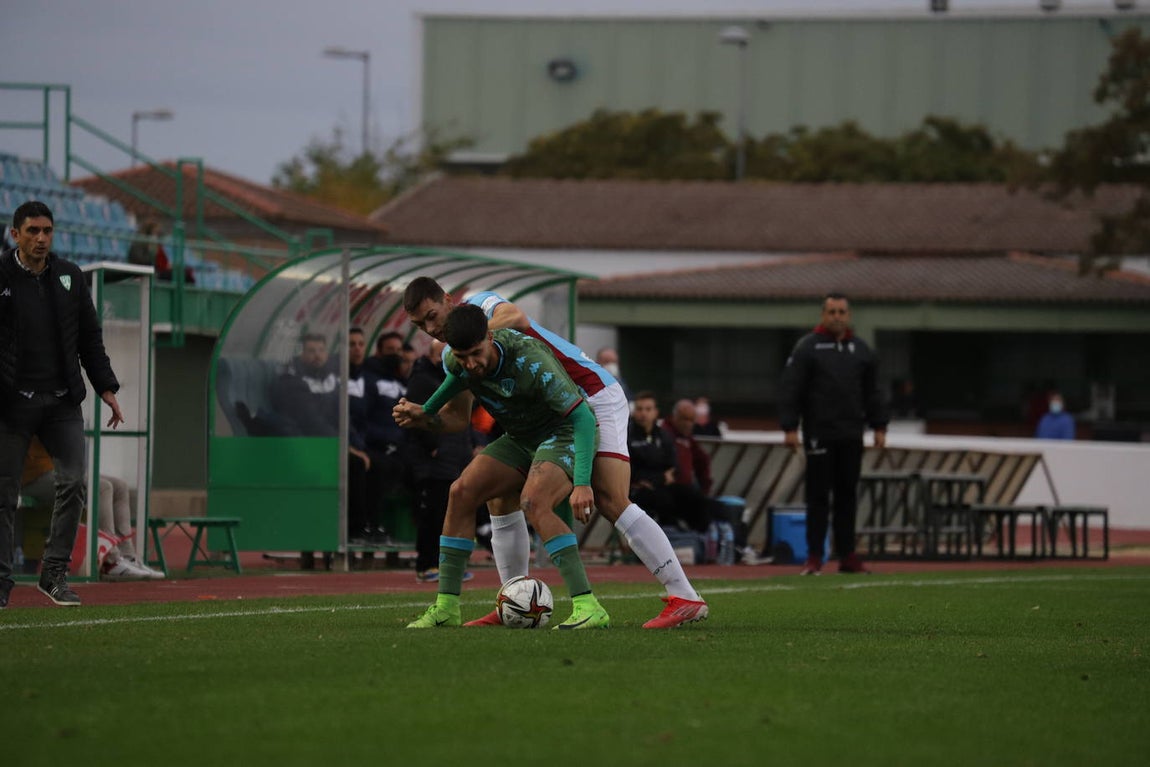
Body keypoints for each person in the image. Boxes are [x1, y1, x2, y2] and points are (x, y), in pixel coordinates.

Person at [401, 277, 707, 629]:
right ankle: (513, 599)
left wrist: (475, 335)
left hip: (591, 394)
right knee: (497, 499)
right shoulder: (455, 357)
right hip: (538, 425)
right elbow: (457, 417)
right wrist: (424, 414)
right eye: (419, 325)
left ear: (448, 300)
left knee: (609, 497)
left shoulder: (483, 308)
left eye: (432, 316)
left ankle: (684, 595)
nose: (430, 328)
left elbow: (516, 316)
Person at [394, 304, 610, 629]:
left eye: (475, 353)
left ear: (490, 336)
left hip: (562, 433)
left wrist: (582, 483)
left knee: (533, 503)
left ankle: (589, 606)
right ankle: (446, 608)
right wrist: (423, 411)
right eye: (461, 355)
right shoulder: (459, 360)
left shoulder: (530, 360)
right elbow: (455, 382)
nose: (470, 363)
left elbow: (580, 417)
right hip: (521, 437)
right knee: (461, 492)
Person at [1, 201, 126, 609]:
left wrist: (106, 387)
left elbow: (90, 338)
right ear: (15, 233)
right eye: (33, 231)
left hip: (61, 402)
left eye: (47, 231)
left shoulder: (70, 276)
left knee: (74, 483)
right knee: (5, 495)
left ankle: (53, 575)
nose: (41, 238)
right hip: (12, 404)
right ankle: (2, 581)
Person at [778, 292, 888, 576]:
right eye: (832, 312)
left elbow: (874, 391)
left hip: (851, 433)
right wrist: (790, 426)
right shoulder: (807, 348)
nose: (837, 317)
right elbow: (791, 388)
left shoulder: (862, 350)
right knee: (817, 497)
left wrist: (879, 425)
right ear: (823, 315)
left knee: (847, 496)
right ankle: (814, 556)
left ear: (848, 316)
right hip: (819, 433)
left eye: (842, 312)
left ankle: (848, 555)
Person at [404, 339, 481, 582]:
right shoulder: (422, 380)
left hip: (454, 455)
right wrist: (432, 447)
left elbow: (465, 417)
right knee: (433, 513)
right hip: (434, 460)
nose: (447, 361)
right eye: (442, 356)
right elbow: (416, 415)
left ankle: (447, 564)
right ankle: (426, 564)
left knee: (450, 512)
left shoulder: (456, 380)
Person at [97, 474, 164, 580]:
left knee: (120, 486)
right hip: (64, 475)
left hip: (78, 470)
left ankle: (127, 556)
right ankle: (110, 560)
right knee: (103, 487)